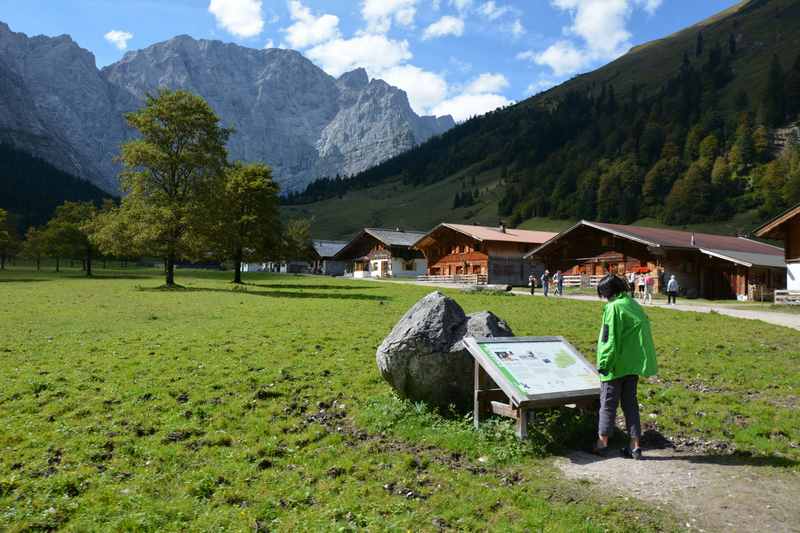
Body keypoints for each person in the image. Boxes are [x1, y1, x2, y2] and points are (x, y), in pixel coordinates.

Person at [593, 274, 658, 460]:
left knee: (607, 404)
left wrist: (604, 363)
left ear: (607, 292)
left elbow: (609, 339)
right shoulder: (633, 304)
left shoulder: (613, 308)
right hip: (633, 365)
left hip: (615, 366)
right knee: (630, 405)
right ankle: (635, 446)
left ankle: (602, 443)